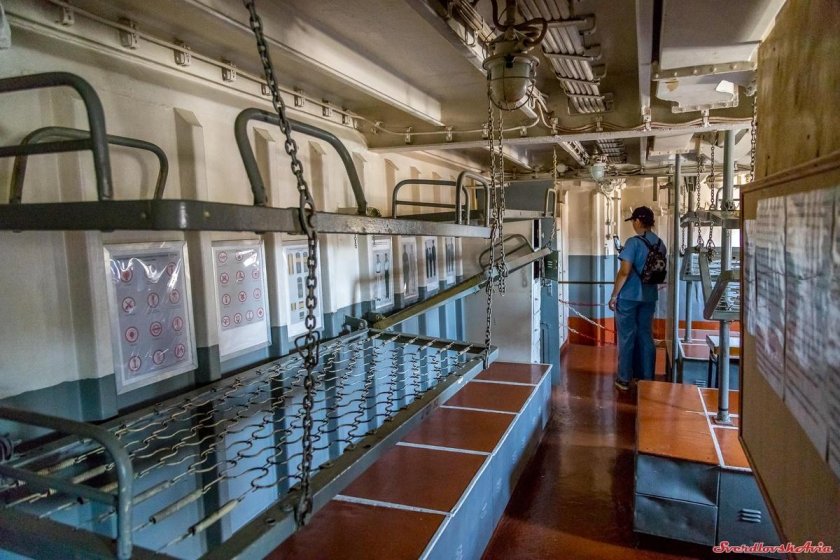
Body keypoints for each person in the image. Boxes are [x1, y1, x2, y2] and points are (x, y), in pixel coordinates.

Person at [608, 206, 666, 391]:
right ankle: (646, 378)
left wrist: (614, 295)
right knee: (645, 335)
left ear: (639, 221)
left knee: (627, 337)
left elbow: (624, 271)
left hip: (629, 297)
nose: (633, 224)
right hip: (649, 296)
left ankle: (624, 378)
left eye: (633, 221)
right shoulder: (660, 244)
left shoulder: (633, 243)